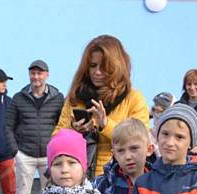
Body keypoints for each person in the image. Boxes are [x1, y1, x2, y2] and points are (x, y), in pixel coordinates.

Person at [54, 35, 149, 178]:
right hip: (78, 181)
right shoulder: (75, 97)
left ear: (116, 66)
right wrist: (73, 130)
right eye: (92, 65)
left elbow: (140, 142)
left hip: (117, 179)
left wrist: (105, 125)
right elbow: (54, 142)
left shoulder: (133, 98)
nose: (97, 72)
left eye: (104, 67)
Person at [6, 60, 65, 194]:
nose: (36, 77)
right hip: (25, 154)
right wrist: (16, 150)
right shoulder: (18, 98)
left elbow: (62, 124)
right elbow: (8, 126)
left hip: (49, 156)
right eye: (33, 73)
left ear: (47, 75)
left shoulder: (58, 98)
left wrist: (57, 150)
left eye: (40, 73)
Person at [177, 69, 197, 157]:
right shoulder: (177, 107)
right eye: (189, 84)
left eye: (196, 84)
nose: (192, 87)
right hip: (179, 155)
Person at [149, 92, 174, 157]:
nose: (157, 107)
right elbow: (144, 114)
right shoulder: (153, 110)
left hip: (164, 136)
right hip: (154, 135)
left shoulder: (171, 115)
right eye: (156, 104)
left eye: (159, 105)